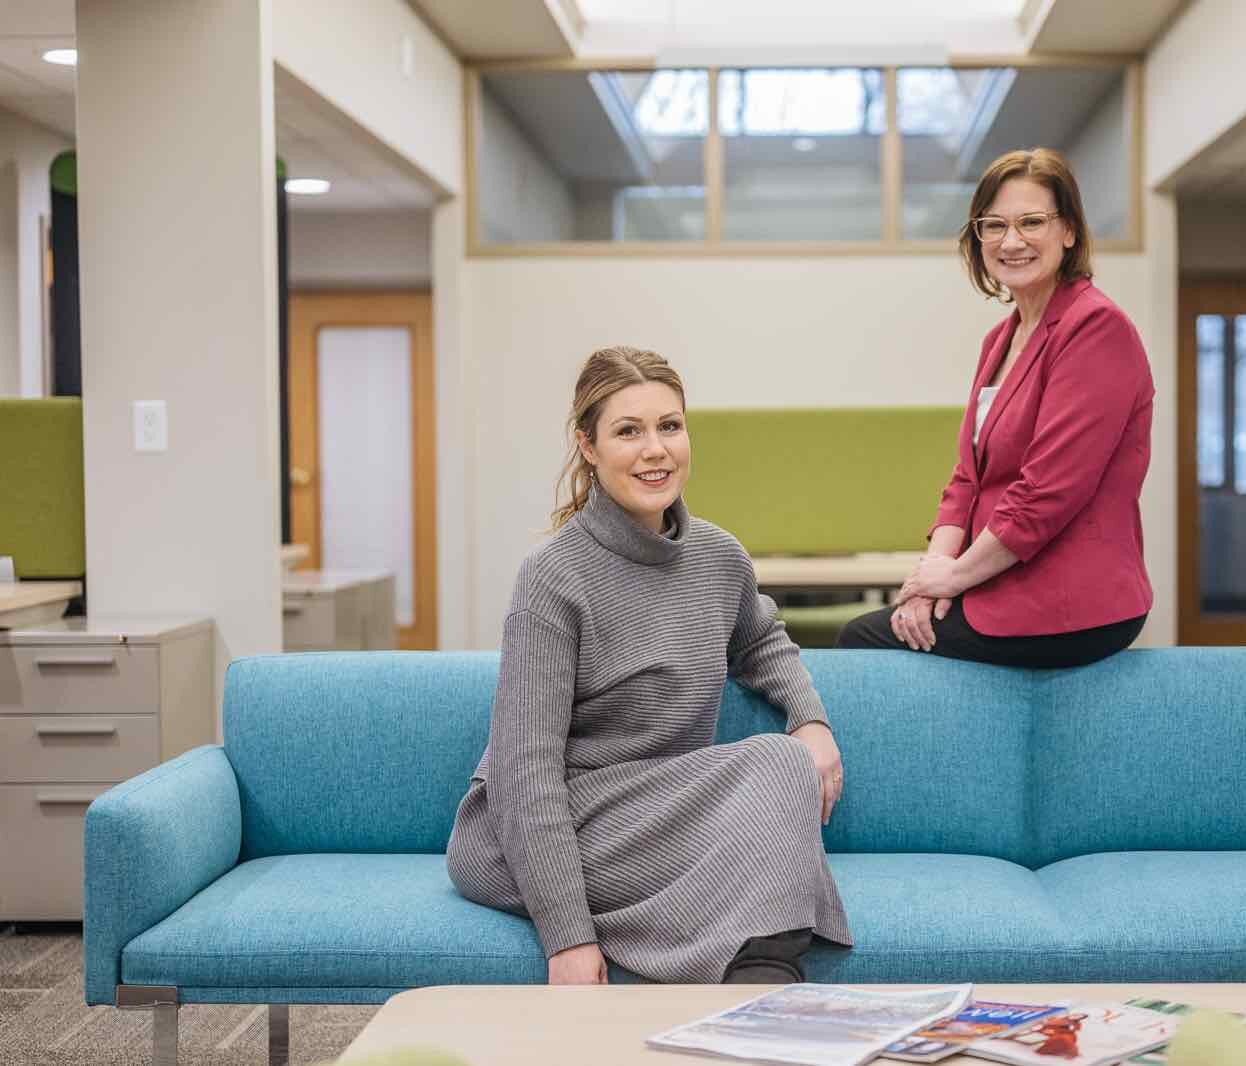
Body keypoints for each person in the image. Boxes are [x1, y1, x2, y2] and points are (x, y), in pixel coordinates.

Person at [447, 346, 851, 985]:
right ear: (588, 446)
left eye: (670, 425)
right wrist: (568, 940)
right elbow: (525, 770)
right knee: (761, 812)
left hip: (660, 811)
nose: (655, 449)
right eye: (628, 431)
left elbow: (762, 641)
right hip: (544, 824)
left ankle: (759, 979)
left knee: (783, 759)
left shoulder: (718, 556)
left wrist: (810, 721)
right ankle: (764, 981)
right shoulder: (553, 579)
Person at [837, 147, 1154, 669]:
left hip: (1072, 602)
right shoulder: (1000, 340)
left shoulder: (1096, 328)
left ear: (1069, 231)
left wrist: (955, 577)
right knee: (897, 620)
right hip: (1000, 581)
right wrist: (930, 575)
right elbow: (967, 480)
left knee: (863, 641)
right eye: (994, 225)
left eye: (1032, 222)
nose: (1011, 241)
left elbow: (1048, 492)